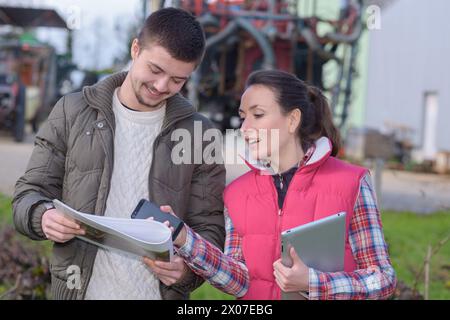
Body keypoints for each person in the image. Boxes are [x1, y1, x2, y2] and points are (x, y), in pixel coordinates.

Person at [12, 8, 227, 300]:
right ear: (135, 48)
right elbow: (28, 194)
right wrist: (43, 215)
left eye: (177, 80)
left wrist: (187, 272)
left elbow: (210, 231)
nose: (161, 86)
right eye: (155, 70)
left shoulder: (201, 135)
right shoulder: (72, 111)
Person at [173, 69, 397, 300]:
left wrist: (313, 283)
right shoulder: (236, 194)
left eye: (257, 115)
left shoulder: (352, 182)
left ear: (292, 120)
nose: (244, 128)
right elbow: (239, 281)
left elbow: (383, 279)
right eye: (243, 117)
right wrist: (184, 239)